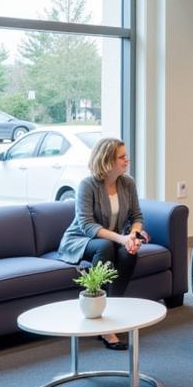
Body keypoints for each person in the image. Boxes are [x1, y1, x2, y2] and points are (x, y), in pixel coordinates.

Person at [58, 137, 150, 349]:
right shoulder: (88, 185)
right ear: (107, 160)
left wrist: (134, 237)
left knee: (129, 252)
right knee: (106, 246)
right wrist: (123, 238)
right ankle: (100, 319)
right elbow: (87, 225)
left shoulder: (128, 183)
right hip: (81, 240)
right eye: (122, 157)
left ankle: (112, 314)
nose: (127, 160)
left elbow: (137, 216)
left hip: (115, 238)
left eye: (126, 155)